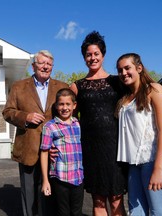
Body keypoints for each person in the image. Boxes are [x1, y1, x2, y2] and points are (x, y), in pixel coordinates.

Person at [2, 50, 68, 216]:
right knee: (29, 194)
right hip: (27, 149)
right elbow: (7, 112)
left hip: (53, 151)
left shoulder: (62, 87)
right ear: (33, 66)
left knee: (51, 195)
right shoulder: (19, 86)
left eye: (49, 64)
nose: (45, 67)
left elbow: (67, 117)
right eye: (41, 63)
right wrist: (26, 116)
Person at [69, 31, 128, 216]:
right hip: (91, 150)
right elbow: (68, 119)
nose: (92, 58)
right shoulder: (76, 86)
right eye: (88, 54)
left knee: (117, 199)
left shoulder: (117, 82)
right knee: (98, 200)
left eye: (96, 54)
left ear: (103, 55)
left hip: (116, 150)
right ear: (84, 57)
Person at [115, 53, 162, 216]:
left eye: (127, 68)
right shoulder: (125, 99)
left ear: (139, 68)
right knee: (136, 213)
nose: (123, 73)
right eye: (120, 70)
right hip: (134, 165)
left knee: (159, 213)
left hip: (155, 161)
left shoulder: (154, 90)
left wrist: (158, 168)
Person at [40, 88, 84, 216]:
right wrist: (45, 180)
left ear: (74, 105)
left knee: (77, 212)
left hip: (78, 178)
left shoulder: (78, 124)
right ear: (56, 105)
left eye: (68, 104)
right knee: (62, 212)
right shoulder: (50, 127)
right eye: (61, 104)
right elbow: (44, 152)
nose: (64, 108)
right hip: (60, 179)